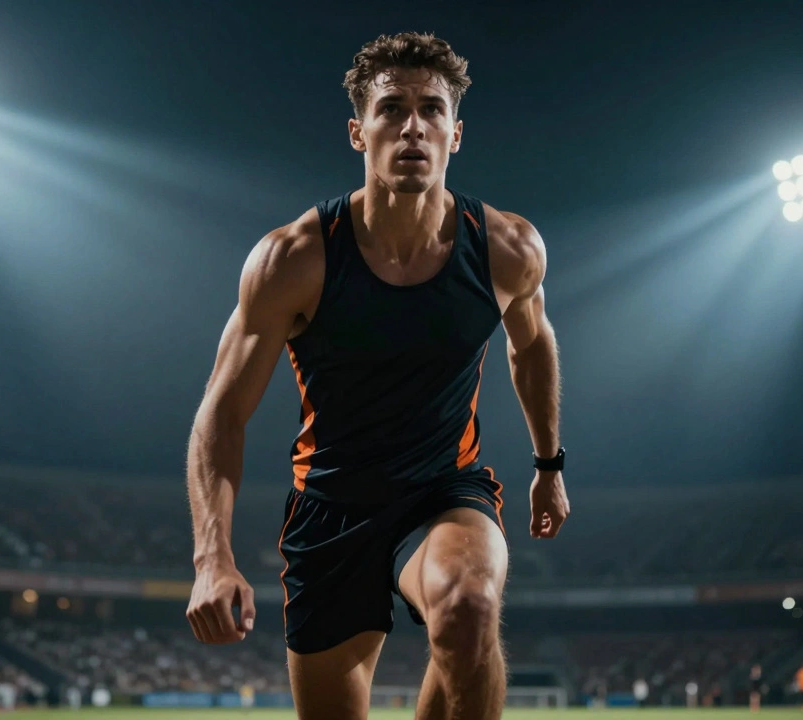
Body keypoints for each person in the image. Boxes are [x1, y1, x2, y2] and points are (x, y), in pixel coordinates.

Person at [185, 31, 570, 720]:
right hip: (331, 508)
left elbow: (532, 344)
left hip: (442, 492)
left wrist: (549, 463)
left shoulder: (506, 249)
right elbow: (221, 412)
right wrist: (212, 557)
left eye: (432, 109)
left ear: (457, 132)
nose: (413, 126)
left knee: (470, 608)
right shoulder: (293, 260)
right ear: (358, 132)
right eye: (392, 109)